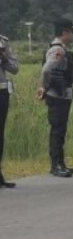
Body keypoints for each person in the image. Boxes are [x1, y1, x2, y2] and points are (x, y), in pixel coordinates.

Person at [36, 18, 73, 178]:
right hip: (57, 94)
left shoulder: (62, 49)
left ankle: (61, 162)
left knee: (61, 129)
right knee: (57, 130)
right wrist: (44, 87)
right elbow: (47, 70)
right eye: (72, 32)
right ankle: (56, 165)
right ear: (65, 32)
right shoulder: (57, 50)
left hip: (62, 94)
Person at [0, 32, 18, 188]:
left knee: (0, 134)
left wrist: (3, 57)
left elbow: (15, 68)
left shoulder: (3, 43)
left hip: (1, 92)